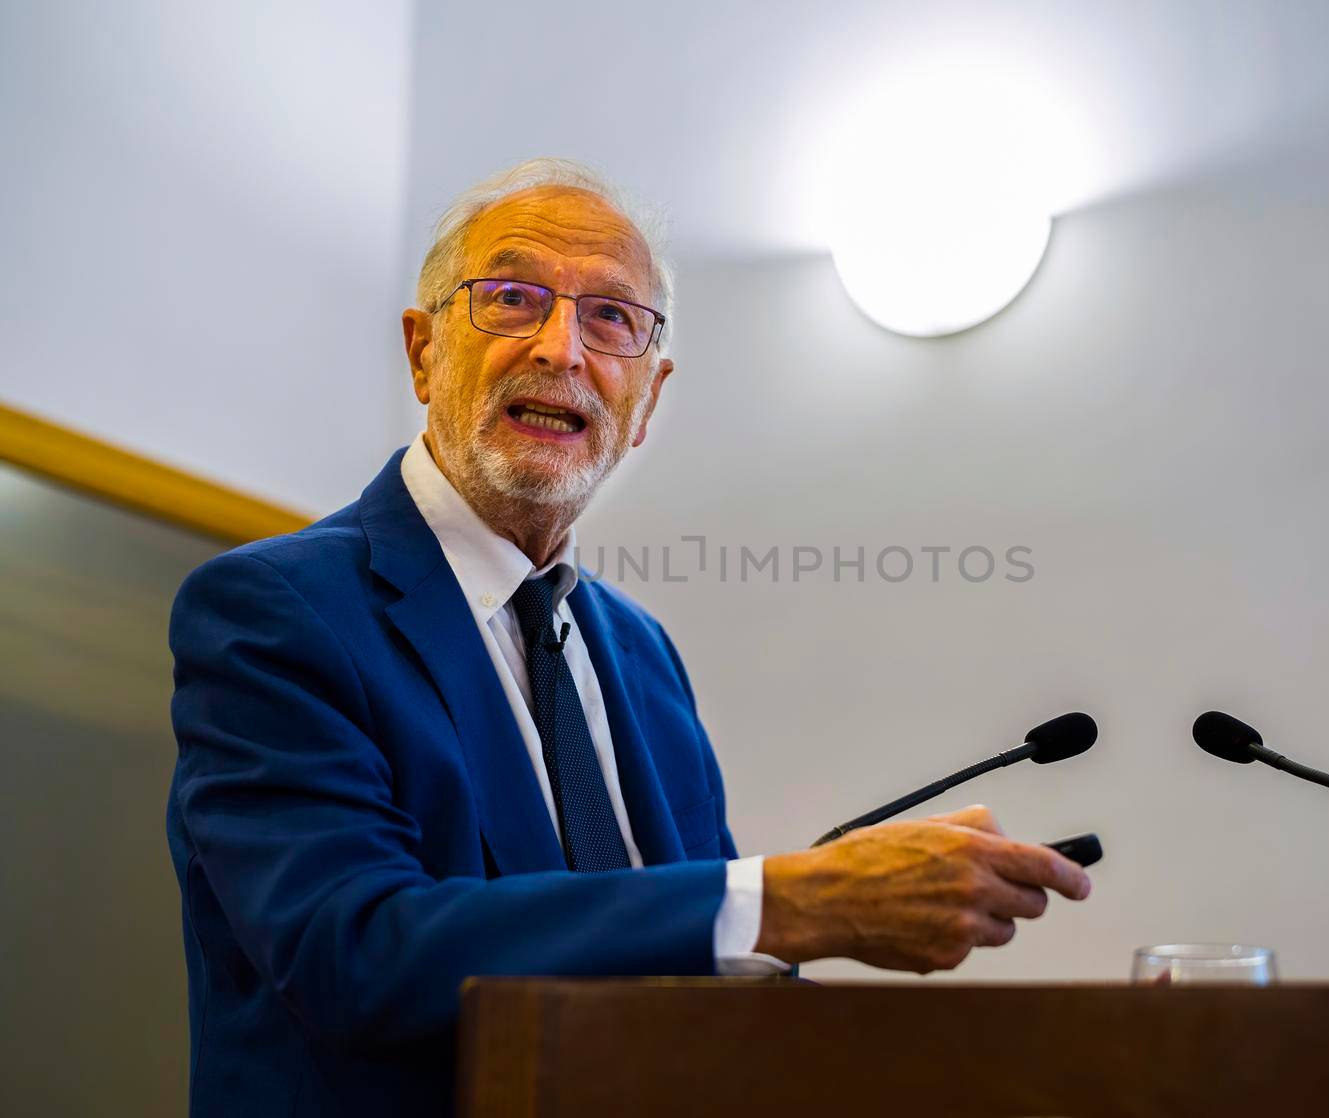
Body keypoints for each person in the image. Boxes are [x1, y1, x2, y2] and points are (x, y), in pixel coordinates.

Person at [166, 158, 1092, 1117]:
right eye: (514, 298)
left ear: (646, 398)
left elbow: (702, 987)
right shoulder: (276, 609)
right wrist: (802, 900)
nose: (562, 350)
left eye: (611, 318)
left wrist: (1049, 1069)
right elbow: (353, 951)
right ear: (422, 352)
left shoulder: (641, 655)